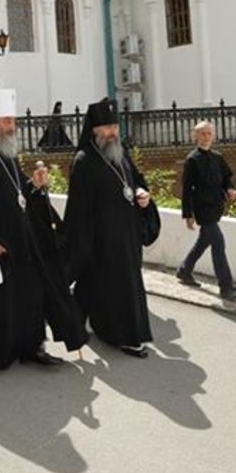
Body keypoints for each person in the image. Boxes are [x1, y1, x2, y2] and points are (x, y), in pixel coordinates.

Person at [0, 89, 86, 369]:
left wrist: (35, 185)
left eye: (13, 119)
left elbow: (19, 190)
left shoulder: (6, 150)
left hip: (20, 236)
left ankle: (32, 346)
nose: (13, 126)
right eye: (6, 120)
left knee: (30, 291)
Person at [64, 97, 154, 358]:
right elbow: (78, 207)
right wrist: (82, 242)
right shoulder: (84, 160)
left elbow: (136, 179)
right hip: (101, 237)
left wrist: (142, 192)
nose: (113, 132)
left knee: (96, 285)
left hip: (128, 231)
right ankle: (126, 337)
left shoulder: (121, 152)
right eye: (107, 127)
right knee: (117, 285)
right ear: (94, 130)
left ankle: (83, 326)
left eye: (115, 126)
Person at [176, 120, 236, 300]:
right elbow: (186, 189)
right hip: (202, 209)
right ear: (195, 136)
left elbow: (226, 178)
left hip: (216, 207)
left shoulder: (217, 157)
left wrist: (230, 189)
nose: (206, 137)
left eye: (209, 133)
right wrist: (188, 214)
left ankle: (184, 270)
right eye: (202, 133)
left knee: (204, 241)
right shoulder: (192, 160)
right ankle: (226, 287)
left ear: (213, 136)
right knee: (218, 243)